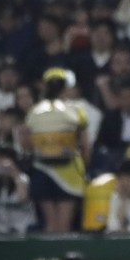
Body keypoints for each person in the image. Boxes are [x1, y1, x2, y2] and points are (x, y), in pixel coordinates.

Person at [25, 68, 90, 232]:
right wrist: (84, 169)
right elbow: (85, 145)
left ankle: (50, 257)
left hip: (42, 169)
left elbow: (27, 143)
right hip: (69, 172)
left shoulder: (34, 112)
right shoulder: (76, 111)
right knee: (64, 226)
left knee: (51, 225)